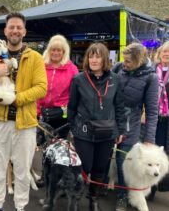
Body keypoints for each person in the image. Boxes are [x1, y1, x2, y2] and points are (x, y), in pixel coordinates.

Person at [0, 12, 47, 211]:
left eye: (18, 27)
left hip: (25, 123)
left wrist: (17, 99)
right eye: (11, 27)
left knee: (23, 170)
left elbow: (41, 87)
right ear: (5, 31)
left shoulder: (35, 58)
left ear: (24, 31)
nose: (15, 30)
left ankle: (20, 206)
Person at [67, 42, 125, 211]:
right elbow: (72, 106)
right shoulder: (78, 79)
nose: (93, 59)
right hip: (84, 132)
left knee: (100, 168)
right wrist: (73, 127)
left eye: (98, 56)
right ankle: (77, 198)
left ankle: (94, 199)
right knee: (84, 167)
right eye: (91, 56)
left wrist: (121, 130)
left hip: (107, 133)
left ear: (105, 58)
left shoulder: (116, 79)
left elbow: (120, 107)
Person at [111, 42, 159, 211]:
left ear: (139, 60)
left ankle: (123, 195)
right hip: (111, 119)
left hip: (131, 124)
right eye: (123, 60)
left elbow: (153, 111)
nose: (124, 63)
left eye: (129, 61)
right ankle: (99, 187)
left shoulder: (151, 78)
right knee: (105, 156)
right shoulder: (118, 68)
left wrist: (149, 139)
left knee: (124, 160)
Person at [37, 34, 79, 138]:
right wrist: (36, 111)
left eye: (59, 50)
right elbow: (34, 88)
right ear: (49, 50)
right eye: (53, 50)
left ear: (64, 52)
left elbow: (75, 94)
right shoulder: (40, 65)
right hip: (41, 113)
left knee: (59, 145)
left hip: (61, 115)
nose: (55, 53)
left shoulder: (72, 69)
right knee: (42, 146)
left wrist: (68, 111)